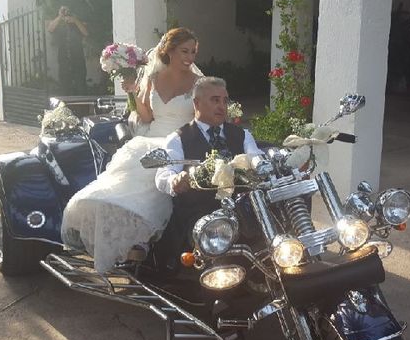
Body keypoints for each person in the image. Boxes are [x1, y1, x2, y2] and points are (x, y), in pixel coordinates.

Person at [61, 27, 202, 273]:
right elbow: (146, 115)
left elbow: (200, 120)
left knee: (159, 175)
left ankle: (145, 237)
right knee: (130, 177)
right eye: (184, 51)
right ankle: (126, 235)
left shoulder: (198, 82)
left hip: (180, 141)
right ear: (169, 51)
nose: (189, 57)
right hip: (151, 138)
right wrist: (135, 94)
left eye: (193, 51)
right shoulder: (154, 77)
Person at [154, 76, 262, 266]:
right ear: (196, 103)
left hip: (242, 211)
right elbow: (163, 174)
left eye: (224, 100)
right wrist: (175, 181)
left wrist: (269, 165)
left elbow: (256, 157)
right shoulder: (178, 138)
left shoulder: (242, 134)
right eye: (215, 100)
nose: (222, 106)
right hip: (200, 216)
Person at [48, 6, 88, 95]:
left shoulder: (77, 23)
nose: (66, 13)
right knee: (64, 85)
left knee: (80, 84)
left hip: (78, 57)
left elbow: (85, 32)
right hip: (64, 58)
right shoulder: (59, 23)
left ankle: (82, 107)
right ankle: (65, 107)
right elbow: (50, 28)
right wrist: (60, 17)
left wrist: (75, 20)